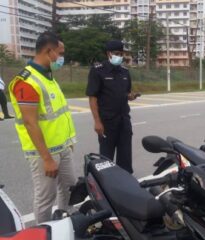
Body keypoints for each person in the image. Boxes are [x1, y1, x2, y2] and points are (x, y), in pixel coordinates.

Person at [8, 31, 77, 224]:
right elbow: (30, 122)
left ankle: (64, 225)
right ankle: (44, 236)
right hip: (43, 153)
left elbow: (57, 115)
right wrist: (47, 158)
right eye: (60, 53)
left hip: (62, 148)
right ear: (49, 51)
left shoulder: (47, 76)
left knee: (71, 188)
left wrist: (68, 142)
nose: (61, 58)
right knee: (46, 197)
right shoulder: (27, 82)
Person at [86, 40, 139, 174]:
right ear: (108, 54)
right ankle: (106, 186)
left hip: (124, 121)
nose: (120, 57)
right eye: (117, 53)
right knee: (106, 160)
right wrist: (97, 121)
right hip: (107, 122)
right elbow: (93, 97)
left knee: (125, 158)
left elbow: (125, 93)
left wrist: (130, 96)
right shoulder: (98, 71)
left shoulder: (125, 72)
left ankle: (125, 183)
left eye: (121, 54)